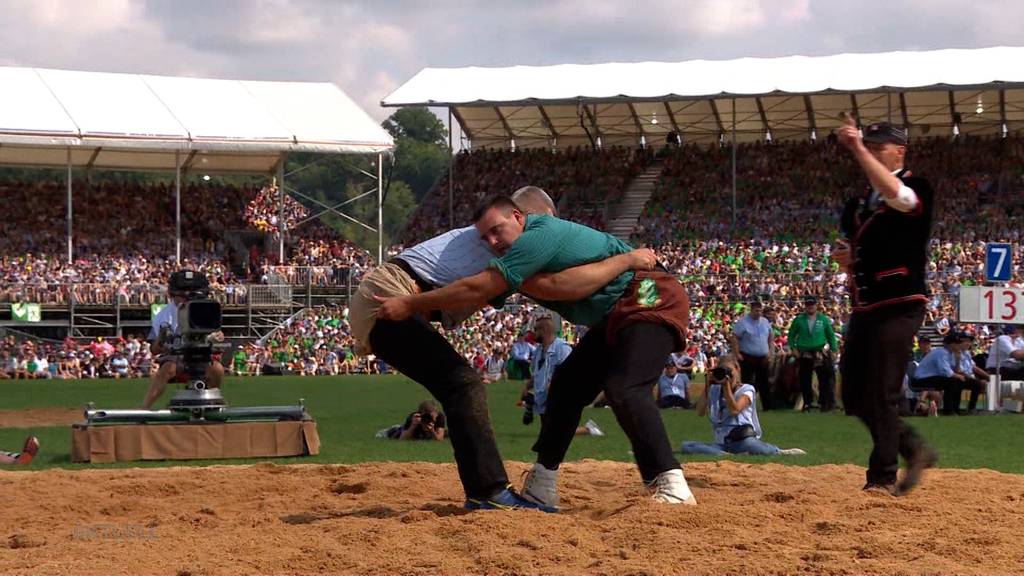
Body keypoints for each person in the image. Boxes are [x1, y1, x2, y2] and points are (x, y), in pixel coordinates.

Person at [376, 194, 696, 509]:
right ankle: (543, 483)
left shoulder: (538, 234)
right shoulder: (521, 256)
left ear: (519, 217)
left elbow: (539, 288)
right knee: (567, 387)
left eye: (496, 230)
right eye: (485, 237)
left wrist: (409, 304)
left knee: (625, 387)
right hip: (618, 312)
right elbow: (492, 293)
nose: (492, 241)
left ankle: (670, 481)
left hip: (649, 290)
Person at [834, 119, 937, 496]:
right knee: (854, 393)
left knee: (882, 389)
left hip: (899, 300)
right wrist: (847, 257)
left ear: (899, 151)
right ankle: (913, 447)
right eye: (870, 145)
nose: (873, 150)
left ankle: (881, 476)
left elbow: (900, 197)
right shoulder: (858, 204)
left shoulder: (917, 186)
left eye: (879, 146)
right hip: (866, 304)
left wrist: (857, 148)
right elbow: (853, 245)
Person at [680, 356, 804, 456]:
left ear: (737, 369)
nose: (727, 375)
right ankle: (726, 454)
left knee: (754, 447)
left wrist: (726, 386)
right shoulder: (714, 390)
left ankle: (777, 451)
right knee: (686, 446)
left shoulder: (747, 389)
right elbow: (700, 412)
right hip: (721, 441)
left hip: (742, 439)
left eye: (730, 371)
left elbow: (734, 410)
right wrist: (707, 385)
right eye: (722, 371)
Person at [141, 271, 225, 410]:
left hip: (201, 352)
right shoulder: (163, 315)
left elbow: (217, 334)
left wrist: (218, 337)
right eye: (183, 295)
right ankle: (144, 407)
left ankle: (212, 401)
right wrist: (162, 340)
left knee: (217, 369)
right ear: (172, 294)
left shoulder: (206, 310)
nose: (187, 298)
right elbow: (154, 350)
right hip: (175, 354)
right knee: (168, 368)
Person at [522, 312, 604, 436]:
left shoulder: (562, 348)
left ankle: (589, 429)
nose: (534, 333)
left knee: (555, 432)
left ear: (544, 330)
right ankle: (588, 429)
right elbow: (537, 373)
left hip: (559, 397)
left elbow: (571, 373)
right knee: (550, 431)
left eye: (536, 329)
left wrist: (555, 385)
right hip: (543, 398)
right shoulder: (539, 350)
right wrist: (527, 387)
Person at [786, 296, 837, 412]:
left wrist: (833, 349)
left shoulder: (823, 319)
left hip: (819, 352)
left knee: (824, 379)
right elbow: (791, 335)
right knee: (805, 379)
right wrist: (793, 348)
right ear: (805, 306)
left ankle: (824, 403)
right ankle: (807, 403)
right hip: (804, 352)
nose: (810, 307)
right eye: (808, 305)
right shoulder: (799, 319)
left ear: (816, 305)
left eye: (812, 304)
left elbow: (830, 335)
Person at [911, 333, 974, 415]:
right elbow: (945, 371)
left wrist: (957, 359)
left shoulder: (950, 353)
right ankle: (948, 411)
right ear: (951, 344)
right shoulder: (941, 352)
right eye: (957, 343)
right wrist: (958, 376)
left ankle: (954, 409)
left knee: (956, 381)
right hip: (920, 379)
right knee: (952, 381)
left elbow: (955, 370)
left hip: (929, 378)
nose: (959, 345)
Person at [731, 301, 775, 409]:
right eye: (756, 310)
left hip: (763, 357)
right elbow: (735, 338)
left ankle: (767, 406)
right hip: (748, 356)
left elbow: (770, 337)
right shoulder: (743, 322)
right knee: (747, 382)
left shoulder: (765, 322)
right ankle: (744, 405)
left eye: (760, 311)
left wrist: (770, 352)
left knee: (764, 381)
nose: (758, 313)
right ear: (751, 310)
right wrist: (737, 353)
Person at [380, 400, 447, 441]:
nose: (429, 418)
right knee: (382, 436)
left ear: (436, 413)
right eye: (426, 415)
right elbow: (402, 439)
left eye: (432, 416)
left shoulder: (439, 417)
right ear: (420, 413)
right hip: (395, 430)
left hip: (425, 434)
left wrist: (432, 430)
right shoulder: (414, 417)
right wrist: (413, 425)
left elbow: (439, 439)